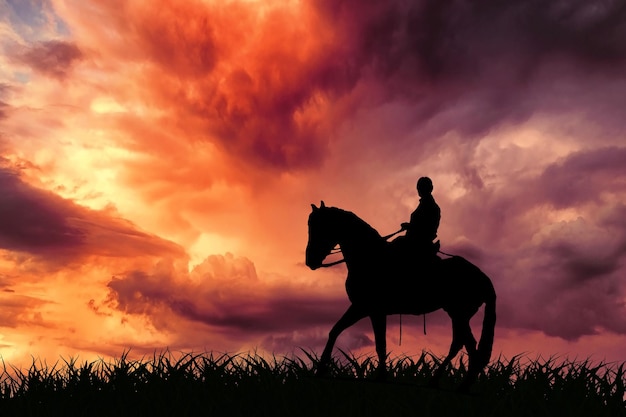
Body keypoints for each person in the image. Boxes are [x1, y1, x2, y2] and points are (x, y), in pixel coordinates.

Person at [393, 177, 441, 263]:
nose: (419, 189)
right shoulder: (425, 204)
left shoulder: (431, 207)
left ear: (430, 188)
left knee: (397, 244)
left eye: (421, 187)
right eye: (418, 187)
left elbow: (426, 228)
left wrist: (409, 226)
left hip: (419, 242)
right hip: (415, 240)